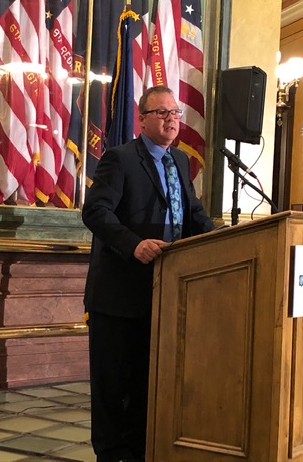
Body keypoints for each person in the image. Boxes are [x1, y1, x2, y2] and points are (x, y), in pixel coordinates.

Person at [82, 86, 215, 462]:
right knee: (112, 385)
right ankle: (110, 455)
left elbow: (197, 219)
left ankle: (140, 451)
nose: (172, 119)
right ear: (142, 119)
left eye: (175, 113)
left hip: (165, 292)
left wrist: (234, 240)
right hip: (118, 295)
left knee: (147, 382)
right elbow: (96, 212)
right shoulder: (119, 159)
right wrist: (133, 244)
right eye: (162, 113)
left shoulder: (179, 164)